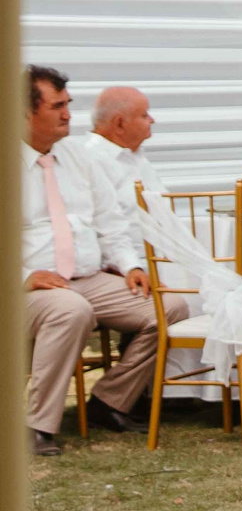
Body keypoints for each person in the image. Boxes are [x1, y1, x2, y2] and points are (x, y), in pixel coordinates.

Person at [23, 66, 181, 451]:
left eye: (68, 104)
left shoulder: (78, 157)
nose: (68, 115)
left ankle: (109, 401)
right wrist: (24, 275)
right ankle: (36, 426)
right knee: (70, 310)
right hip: (29, 286)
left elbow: (111, 224)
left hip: (85, 277)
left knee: (169, 307)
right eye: (58, 106)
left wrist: (132, 267)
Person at [75, 86, 163, 260]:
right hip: (128, 267)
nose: (152, 120)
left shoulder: (135, 156)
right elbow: (101, 228)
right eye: (144, 115)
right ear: (119, 124)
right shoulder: (89, 160)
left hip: (162, 260)